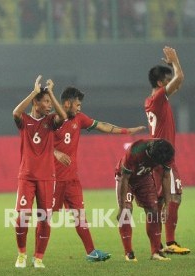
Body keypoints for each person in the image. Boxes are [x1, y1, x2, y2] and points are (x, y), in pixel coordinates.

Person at [52, 86, 145, 261]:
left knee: (80, 215)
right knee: (45, 215)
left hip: (72, 179)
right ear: (66, 103)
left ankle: (91, 252)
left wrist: (127, 131)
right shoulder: (52, 121)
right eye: (77, 104)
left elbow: (102, 125)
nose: (79, 108)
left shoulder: (79, 119)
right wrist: (55, 152)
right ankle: (33, 254)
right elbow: (37, 144)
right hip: (53, 179)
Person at [13, 76, 67, 269]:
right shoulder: (25, 121)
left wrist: (51, 92)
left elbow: (64, 116)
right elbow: (16, 112)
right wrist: (34, 92)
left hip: (46, 177)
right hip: (26, 176)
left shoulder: (51, 121)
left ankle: (38, 258)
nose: (49, 105)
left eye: (49, 102)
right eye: (45, 101)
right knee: (22, 217)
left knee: (44, 218)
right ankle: (21, 254)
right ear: (36, 102)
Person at [144, 46, 190, 254]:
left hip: (159, 156)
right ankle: (169, 243)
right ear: (161, 83)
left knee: (161, 201)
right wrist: (175, 60)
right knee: (173, 198)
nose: (174, 84)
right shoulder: (159, 98)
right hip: (164, 159)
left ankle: (159, 245)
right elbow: (180, 78)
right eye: (168, 80)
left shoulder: (151, 100)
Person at [116, 138, 175, 261]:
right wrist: (121, 207)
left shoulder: (167, 151)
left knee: (154, 212)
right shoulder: (136, 149)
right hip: (126, 178)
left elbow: (165, 177)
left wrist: (166, 206)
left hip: (144, 179)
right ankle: (129, 253)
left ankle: (156, 252)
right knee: (126, 212)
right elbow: (124, 178)